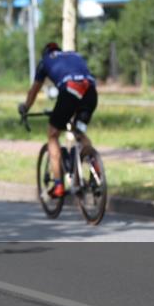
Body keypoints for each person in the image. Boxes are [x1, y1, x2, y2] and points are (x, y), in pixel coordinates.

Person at [19, 42, 98, 198]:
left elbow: (34, 91)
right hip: (90, 92)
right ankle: (97, 172)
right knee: (79, 132)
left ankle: (58, 185)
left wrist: (25, 108)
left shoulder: (45, 62)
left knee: (53, 134)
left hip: (70, 90)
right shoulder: (74, 55)